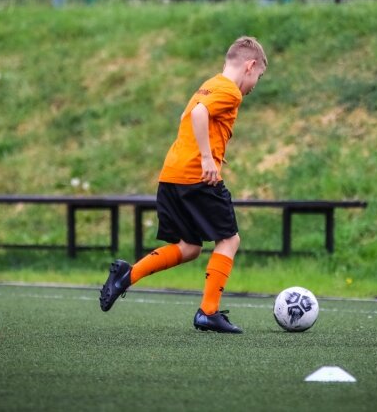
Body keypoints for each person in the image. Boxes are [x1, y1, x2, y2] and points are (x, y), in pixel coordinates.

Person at [99, 36, 268, 333]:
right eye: (259, 76)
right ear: (250, 66)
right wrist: (207, 158)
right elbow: (199, 114)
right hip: (196, 177)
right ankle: (208, 312)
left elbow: (187, 115)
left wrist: (209, 148)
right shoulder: (231, 91)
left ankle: (126, 276)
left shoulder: (209, 84)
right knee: (229, 240)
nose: (255, 84)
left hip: (171, 174)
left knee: (189, 247)